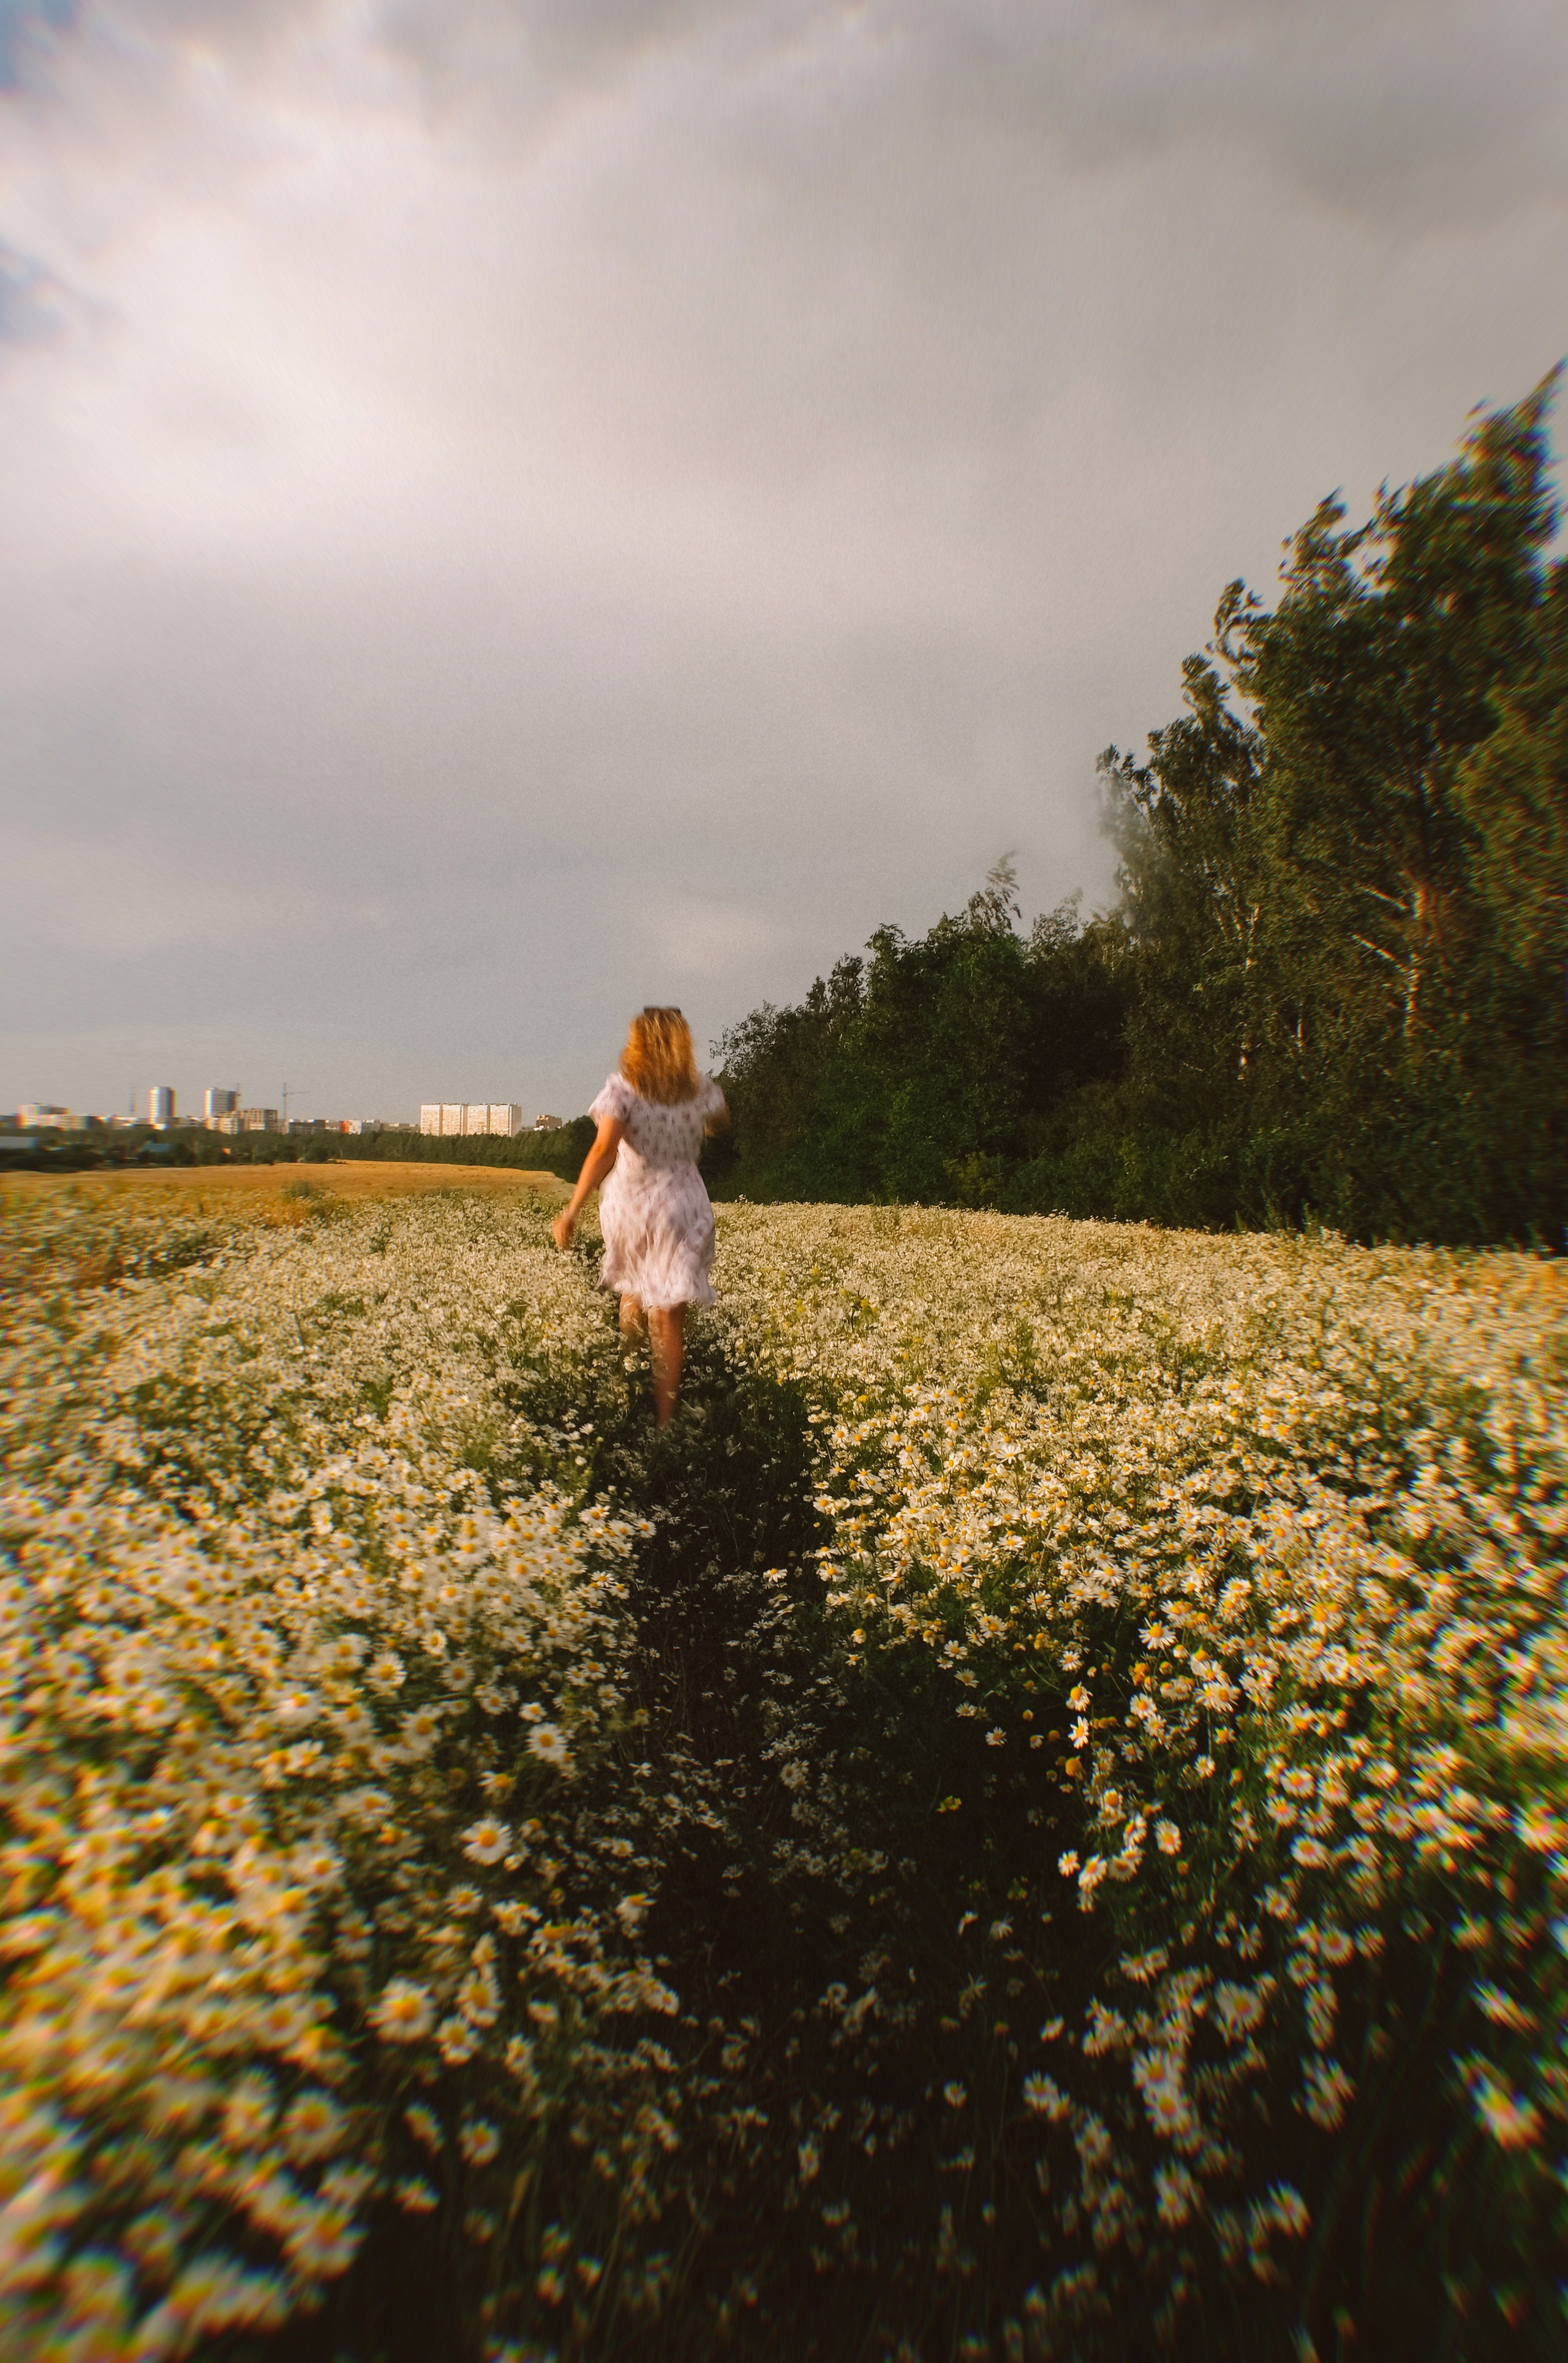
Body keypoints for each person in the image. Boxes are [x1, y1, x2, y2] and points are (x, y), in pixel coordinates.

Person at [551, 1008, 728, 1426]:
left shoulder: (623, 1090)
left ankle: (627, 1369)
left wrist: (572, 1209)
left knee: (633, 1285)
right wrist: (699, 1126)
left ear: (637, 1043)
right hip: (685, 1207)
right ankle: (664, 1428)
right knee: (670, 1319)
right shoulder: (701, 1089)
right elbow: (721, 1123)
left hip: (631, 1205)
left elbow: (603, 1151)